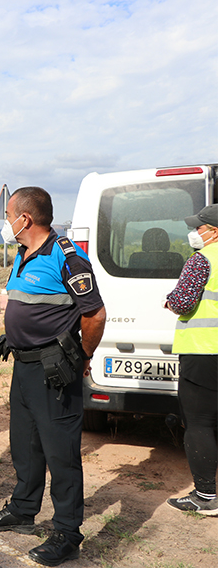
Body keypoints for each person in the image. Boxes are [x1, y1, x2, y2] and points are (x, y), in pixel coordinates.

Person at [0, 187, 106, 566]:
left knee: (61, 454)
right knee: (26, 445)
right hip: (24, 366)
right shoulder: (23, 254)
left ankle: (67, 532)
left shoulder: (66, 257)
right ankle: (22, 508)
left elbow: (95, 314)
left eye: (8, 216)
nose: (6, 224)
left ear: (25, 219)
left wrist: (83, 355)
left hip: (54, 372)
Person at [164, 203, 218, 516]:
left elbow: (184, 301)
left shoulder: (201, 260)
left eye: (199, 227)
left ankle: (206, 496)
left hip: (203, 351)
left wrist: (168, 301)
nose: (194, 232)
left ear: (213, 232)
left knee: (199, 424)